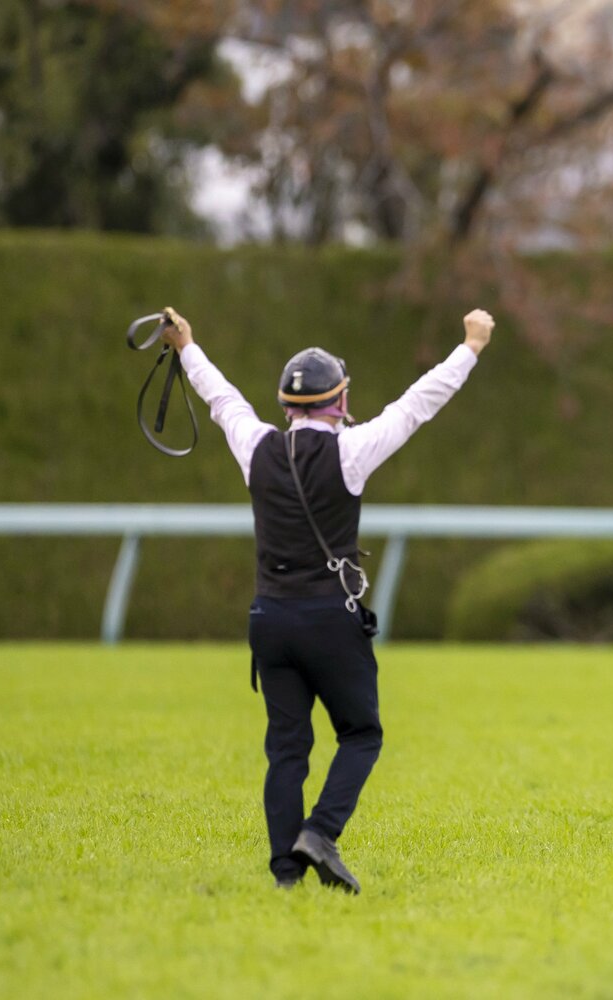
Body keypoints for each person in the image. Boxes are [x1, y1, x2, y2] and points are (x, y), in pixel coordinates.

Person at [158, 305, 496, 892]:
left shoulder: (257, 445)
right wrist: (471, 346)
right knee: (362, 734)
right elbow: (417, 404)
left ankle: (286, 875)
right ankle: (320, 833)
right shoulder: (351, 450)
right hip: (328, 619)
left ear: (287, 405)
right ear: (338, 400)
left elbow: (221, 398)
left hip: (269, 617)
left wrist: (186, 345)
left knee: (287, 750)